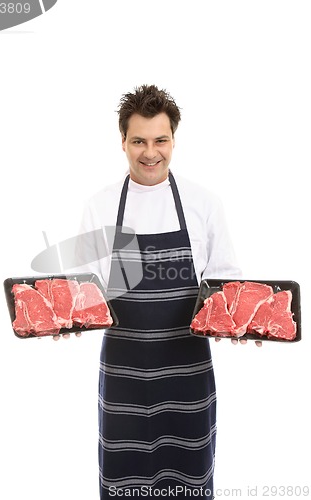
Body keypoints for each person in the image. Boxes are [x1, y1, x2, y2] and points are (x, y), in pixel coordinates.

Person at [66, 85, 256, 498]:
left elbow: (227, 287)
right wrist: (69, 319)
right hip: (123, 379)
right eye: (138, 141)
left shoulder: (204, 203)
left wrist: (246, 324)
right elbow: (81, 293)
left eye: (160, 140)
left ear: (174, 140)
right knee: (123, 484)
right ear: (122, 142)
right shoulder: (99, 207)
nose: (150, 152)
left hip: (188, 379)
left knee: (189, 483)